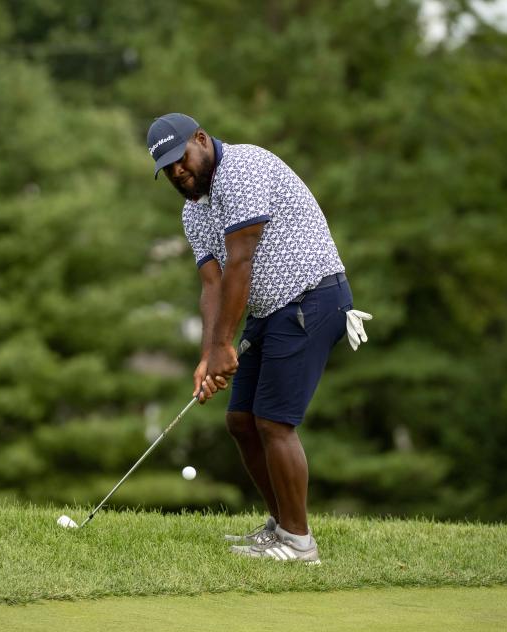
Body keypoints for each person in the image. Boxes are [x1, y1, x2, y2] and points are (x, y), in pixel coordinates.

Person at [146, 113, 371, 565]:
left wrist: (224, 345)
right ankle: (281, 525)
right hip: (271, 310)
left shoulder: (243, 169)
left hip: (313, 298)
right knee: (241, 421)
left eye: (180, 158)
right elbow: (213, 284)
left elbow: (241, 261)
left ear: (202, 140)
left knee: (273, 423)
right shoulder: (194, 210)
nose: (177, 172)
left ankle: (299, 543)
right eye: (167, 168)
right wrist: (208, 355)